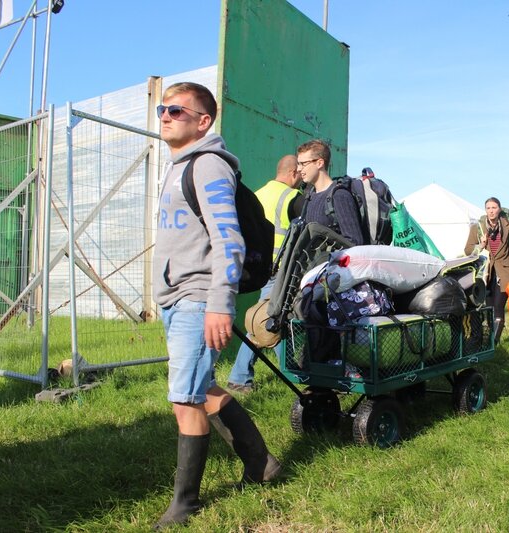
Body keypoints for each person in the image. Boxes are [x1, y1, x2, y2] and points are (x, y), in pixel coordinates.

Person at [152, 82, 281, 528]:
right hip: (176, 298)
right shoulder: (176, 167)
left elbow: (229, 241)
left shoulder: (208, 166)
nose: (165, 115)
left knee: (184, 400)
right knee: (202, 388)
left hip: (198, 299)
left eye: (176, 110)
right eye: (161, 109)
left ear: (203, 121)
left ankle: (184, 505)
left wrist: (219, 305)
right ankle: (262, 464)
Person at [227, 155, 303, 393]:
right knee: (266, 322)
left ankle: (292, 372)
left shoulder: (257, 194)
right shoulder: (293, 197)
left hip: (259, 267)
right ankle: (241, 377)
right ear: (293, 174)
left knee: (273, 320)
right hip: (280, 269)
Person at [464, 197, 509, 345]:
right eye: (488, 208)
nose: (491, 211)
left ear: (499, 209)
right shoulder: (477, 227)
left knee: (498, 307)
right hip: (485, 274)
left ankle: (493, 343)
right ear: (485, 210)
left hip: (505, 273)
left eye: (494, 207)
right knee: (488, 308)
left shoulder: (508, 226)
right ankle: (488, 339)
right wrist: (481, 245)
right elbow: (467, 251)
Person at [297, 139, 364, 246]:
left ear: (319, 163)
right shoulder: (310, 197)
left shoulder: (339, 196)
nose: (299, 169)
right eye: (298, 164)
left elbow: (355, 242)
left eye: (303, 164)